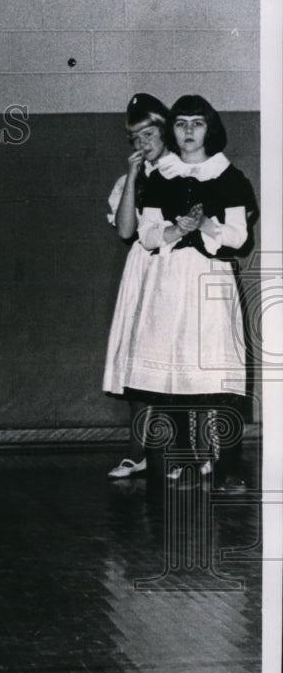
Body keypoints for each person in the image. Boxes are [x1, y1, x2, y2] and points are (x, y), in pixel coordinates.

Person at [121, 95, 258, 491]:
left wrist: (206, 226)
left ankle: (228, 466)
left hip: (210, 278)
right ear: (172, 130)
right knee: (174, 367)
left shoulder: (230, 176)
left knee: (215, 369)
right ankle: (182, 458)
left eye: (197, 124)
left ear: (209, 128)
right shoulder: (160, 178)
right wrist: (177, 230)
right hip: (168, 281)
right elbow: (145, 234)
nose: (188, 132)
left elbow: (238, 237)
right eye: (180, 124)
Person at [103, 94, 181, 480]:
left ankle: (178, 452)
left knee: (173, 359)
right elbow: (124, 230)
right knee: (139, 362)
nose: (141, 144)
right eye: (134, 137)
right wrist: (133, 176)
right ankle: (138, 452)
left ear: (164, 132)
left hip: (177, 269)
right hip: (143, 274)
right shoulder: (129, 180)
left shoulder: (186, 172)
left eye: (148, 134)